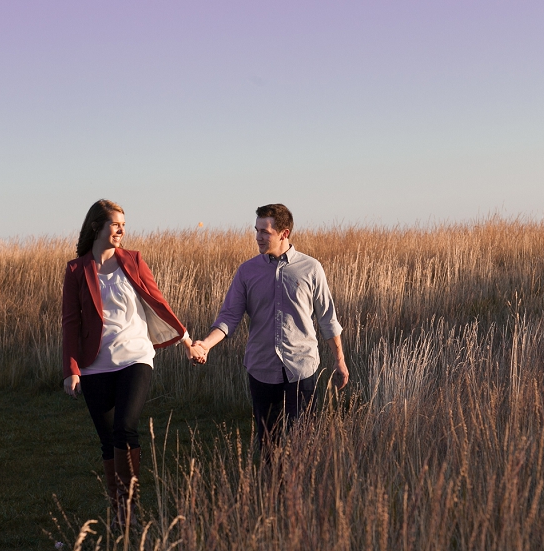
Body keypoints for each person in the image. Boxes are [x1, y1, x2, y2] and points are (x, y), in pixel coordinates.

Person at [61, 199, 205, 527]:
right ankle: (119, 515)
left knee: (125, 427)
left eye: (124, 224)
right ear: (97, 226)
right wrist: (72, 370)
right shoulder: (76, 270)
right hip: (95, 365)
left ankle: (131, 511)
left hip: (136, 356)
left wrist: (186, 342)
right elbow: (70, 323)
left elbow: (158, 301)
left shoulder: (134, 260)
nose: (122, 230)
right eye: (115, 224)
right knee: (108, 439)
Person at [192, 203, 349, 458]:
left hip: (301, 367)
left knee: (303, 443)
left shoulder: (311, 268)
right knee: (267, 442)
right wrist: (205, 345)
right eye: (256, 230)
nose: (258, 237)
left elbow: (327, 318)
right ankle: (271, 492)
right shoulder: (247, 271)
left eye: (265, 232)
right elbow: (229, 316)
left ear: (284, 233)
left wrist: (339, 361)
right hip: (262, 367)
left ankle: (299, 494)